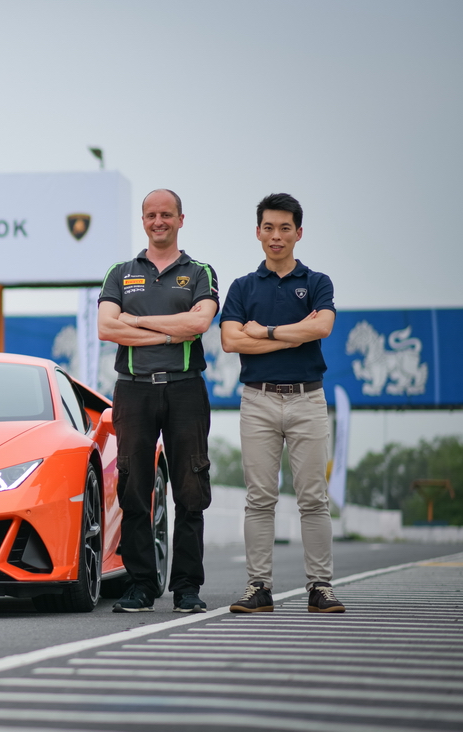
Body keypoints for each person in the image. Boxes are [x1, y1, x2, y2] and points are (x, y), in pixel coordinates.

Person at [220, 192, 344, 614]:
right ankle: (259, 588)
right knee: (260, 498)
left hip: (308, 399)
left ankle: (320, 587)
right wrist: (296, 330)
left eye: (285, 228)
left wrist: (265, 332)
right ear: (258, 232)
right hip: (258, 400)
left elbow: (323, 327)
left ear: (299, 233)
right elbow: (230, 340)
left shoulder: (317, 282)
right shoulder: (242, 287)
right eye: (269, 227)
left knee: (314, 498)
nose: (276, 236)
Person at [98, 189, 219, 613]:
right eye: (151, 215)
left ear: (181, 219)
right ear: (143, 220)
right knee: (134, 486)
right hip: (133, 388)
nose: (158, 221)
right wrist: (173, 329)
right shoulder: (121, 272)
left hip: (185, 387)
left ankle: (187, 587)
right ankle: (141, 585)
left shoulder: (200, 271)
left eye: (166, 214)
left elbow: (200, 322)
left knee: (190, 485)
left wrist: (141, 322)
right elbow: (107, 328)